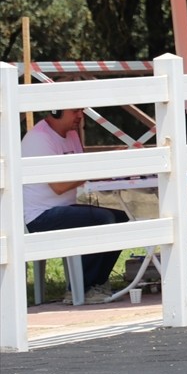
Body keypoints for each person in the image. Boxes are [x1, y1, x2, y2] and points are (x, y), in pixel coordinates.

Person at [22, 108, 130, 303]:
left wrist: (111, 163)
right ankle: (80, 289)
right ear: (56, 112)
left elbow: (83, 169)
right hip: (39, 216)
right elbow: (59, 186)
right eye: (75, 111)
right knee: (104, 220)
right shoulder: (39, 138)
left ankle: (96, 283)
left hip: (64, 209)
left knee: (120, 218)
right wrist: (99, 169)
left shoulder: (72, 134)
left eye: (81, 110)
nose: (80, 116)